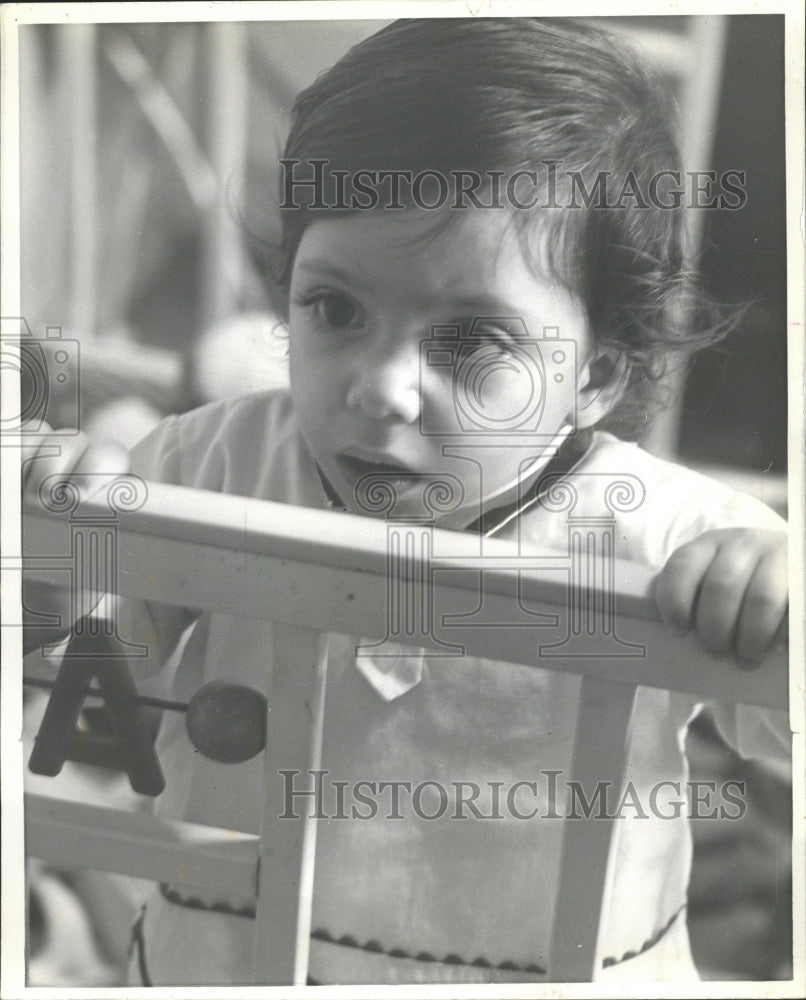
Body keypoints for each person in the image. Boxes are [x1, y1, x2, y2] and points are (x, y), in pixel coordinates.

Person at [21, 17, 789, 985]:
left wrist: (780, 588)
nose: (380, 388)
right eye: (334, 308)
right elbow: (82, 693)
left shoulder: (669, 538)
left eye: (469, 341)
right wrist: (57, 575)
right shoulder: (207, 461)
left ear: (594, 375)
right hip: (221, 960)